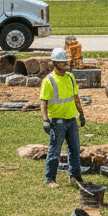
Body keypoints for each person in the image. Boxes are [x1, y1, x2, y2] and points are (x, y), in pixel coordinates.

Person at [40, 47, 86, 188]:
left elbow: (76, 97)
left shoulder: (70, 77)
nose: (65, 64)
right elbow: (43, 101)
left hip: (71, 120)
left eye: (65, 62)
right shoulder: (49, 81)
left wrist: (81, 113)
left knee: (74, 150)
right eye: (62, 62)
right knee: (55, 151)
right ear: (54, 63)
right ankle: (50, 179)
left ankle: (75, 177)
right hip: (57, 122)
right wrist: (45, 120)